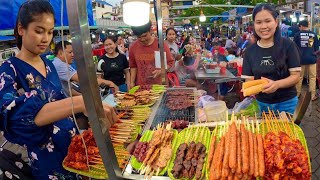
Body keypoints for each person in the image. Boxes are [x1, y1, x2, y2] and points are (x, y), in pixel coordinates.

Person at [0, 1, 117, 179]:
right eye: (39, 31)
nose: (46, 38)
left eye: (50, 32)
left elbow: (60, 102)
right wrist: (80, 102)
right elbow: (16, 119)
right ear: (21, 28)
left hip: (72, 148)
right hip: (46, 160)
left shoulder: (48, 64)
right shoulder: (9, 71)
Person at [242, 3, 301, 114]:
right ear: (254, 24)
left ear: (276, 22)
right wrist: (248, 87)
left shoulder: (288, 45)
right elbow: (249, 80)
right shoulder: (249, 51)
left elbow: (296, 77)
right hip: (261, 104)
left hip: (287, 103)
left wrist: (276, 84)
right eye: (259, 22)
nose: (264, 26)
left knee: (286, 131)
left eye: (268, 21)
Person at [52, 41, 119, 96]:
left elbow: (68, 90)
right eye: (70, 52)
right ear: (60, 53)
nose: (73, 55)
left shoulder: (60, 63)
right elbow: (84, 79)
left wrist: (84, 97)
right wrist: (109, 83)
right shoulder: (60, 65)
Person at [129, 21, 174, 88]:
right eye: (139, 37)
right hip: (141, 87)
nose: (142, 39)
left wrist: (161, 70)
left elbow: (170, 63)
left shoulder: (161, 45)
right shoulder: (133, 47)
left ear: (150, 31)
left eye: (144, 35)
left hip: (159, 86)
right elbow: (133, 66)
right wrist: (132, 82)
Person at [294, 20, 320, 101]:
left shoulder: (297, 35)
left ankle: (297, 94)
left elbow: (294, 48)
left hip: (301, 59)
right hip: (311, 59)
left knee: (299, 77)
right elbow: (315, 48)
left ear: (301, 26)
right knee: (312, 77)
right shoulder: (313, 34)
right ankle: (312, 96)